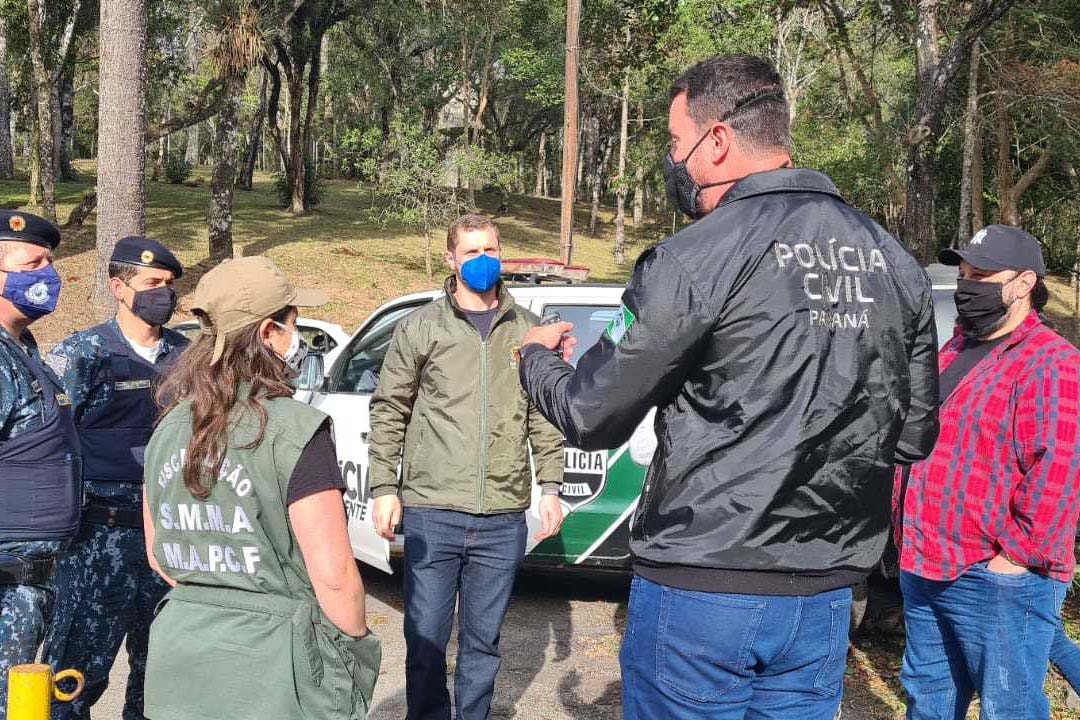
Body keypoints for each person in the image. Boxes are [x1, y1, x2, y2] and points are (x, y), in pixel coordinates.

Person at [518, 55, 939, 719]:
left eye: (674, 143)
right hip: (827, 590)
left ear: (716, 142)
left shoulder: (693, 259)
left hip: (705, 586)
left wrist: (534, 360)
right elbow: (914, 433)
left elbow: (589, 412)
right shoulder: (895, 262)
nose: (671, 160)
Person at [141, 256, 381, 720]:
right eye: (294, 324)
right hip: (276, 665)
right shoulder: (295, 430)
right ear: (269, 333)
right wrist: (355, 650)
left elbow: (158, 553)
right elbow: (334, 576)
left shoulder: (169, 426)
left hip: (181, 657)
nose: (299, 340)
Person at [369, 213, 565, 720]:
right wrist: (384, 486)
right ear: (451, 259)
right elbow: (390, 407)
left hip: (502, 515)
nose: (483, 261)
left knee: (483, 645)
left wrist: (551, 486)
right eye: (472, 252)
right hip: (434, 511)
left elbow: (543, 415)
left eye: (492, 250)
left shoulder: (528, 332)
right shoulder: (422, 327)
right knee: (427, 640)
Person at [895, 225, 1080, 720]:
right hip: (926, 562)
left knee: (1009, 708)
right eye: (962, 274)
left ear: (1023, 283)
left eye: (981, 275)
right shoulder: (952, 351)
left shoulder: (1052, 362)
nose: (965, 285)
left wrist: (1014, 559)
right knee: (928, 700)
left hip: (994, 577)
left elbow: (1060, 469)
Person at [42, 236, 188, 720]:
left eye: (168, 285)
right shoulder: (81, 354)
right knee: (75, 677)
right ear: (119, 288)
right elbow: (50, 444)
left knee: (163, 677)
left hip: (168, 541)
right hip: (98, 538)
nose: (163, 294)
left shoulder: (189, 358)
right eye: (151, 284)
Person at [0, 210, 81, 718]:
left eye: (49, 261)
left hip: (36, 584)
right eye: (34, 262)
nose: (47, 273)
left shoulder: (23, 349)